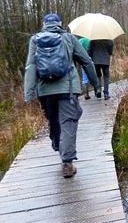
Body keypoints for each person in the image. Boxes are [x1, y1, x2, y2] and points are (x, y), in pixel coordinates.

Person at [24, 13, 100, 178]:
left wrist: (29, 94)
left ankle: (57, 143)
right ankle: (67, 162)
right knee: (68, 122)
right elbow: (86, 61)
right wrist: (95, 83)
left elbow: (31, 66)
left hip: (44, 91)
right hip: (67, 89)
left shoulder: (35, 40)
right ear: (59, 23)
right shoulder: (69, 38)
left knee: (53, 121)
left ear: (44, 24)